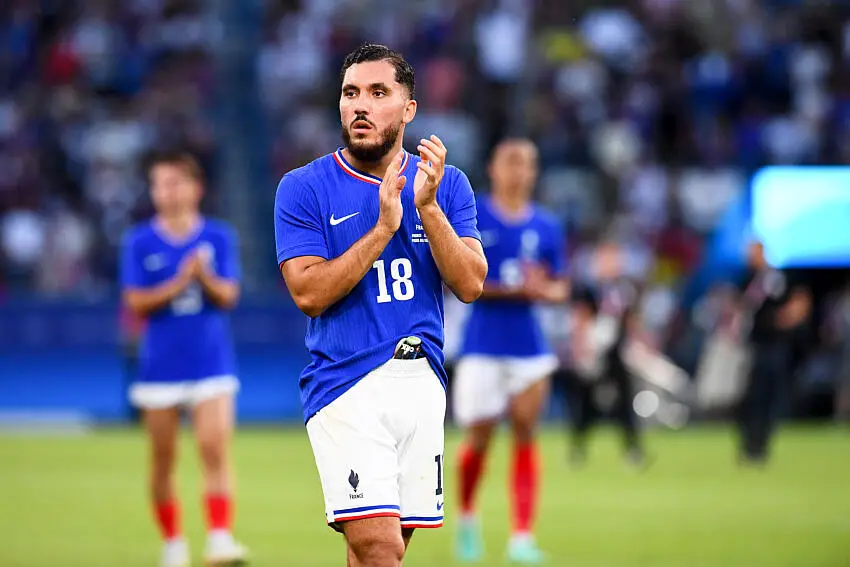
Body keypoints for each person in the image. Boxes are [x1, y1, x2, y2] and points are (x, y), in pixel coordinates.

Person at [273, 43, 487, 567]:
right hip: (346, 382)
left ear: (408, 109)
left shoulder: (447, 184)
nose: (360, 105)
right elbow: (308, 293)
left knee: (377, 553)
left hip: (422, 383)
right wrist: (383, 229)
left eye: (377, 92)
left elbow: (471, 283)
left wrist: (427, 208)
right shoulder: (303, 188)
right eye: (350, 93)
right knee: (380, 549)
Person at [120, 151, 248, 567]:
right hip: (160, 366)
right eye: (159, 184)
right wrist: (179, 282)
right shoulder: (139, 241)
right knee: (163, 458)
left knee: (214, 448)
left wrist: (203, 277)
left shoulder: (218, 236)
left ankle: (219, 538)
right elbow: (135, 302)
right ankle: (173, 543)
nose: (166, 192)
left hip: (210, 361)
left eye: (174, 182)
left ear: (196, 188)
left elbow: (229, 295)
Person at [451, 139, 568, 564]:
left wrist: (544, 290)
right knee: (479, 439)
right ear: (493, 168)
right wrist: (509, 289)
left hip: (529, 348)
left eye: (528, 163)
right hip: (482, 345)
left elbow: (561, 286)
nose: (520, 171)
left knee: (525, 433)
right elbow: (458, 277)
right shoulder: (474, 215)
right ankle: (466, 517)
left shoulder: (547, 225)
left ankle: (522, 536)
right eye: (512, 162)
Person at [563, 239, 648, 468]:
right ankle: (577, 449)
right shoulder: (589, 287)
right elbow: (580, 316)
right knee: (586, 403)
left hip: (616, 352)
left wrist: (639, 343)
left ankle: (633, 449)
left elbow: (631, 319)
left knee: (625, 401)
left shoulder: (624, 289)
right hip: (593, 351)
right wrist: (580, 347)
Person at [735, 241, 810, 465]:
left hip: (774, 346)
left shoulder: (776, 278)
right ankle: (749, 445)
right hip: (754, 346)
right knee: (751, 399)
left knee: (769, 398)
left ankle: (761, 447)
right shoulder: (748, 279)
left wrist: (782, 320)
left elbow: (800, 301)